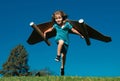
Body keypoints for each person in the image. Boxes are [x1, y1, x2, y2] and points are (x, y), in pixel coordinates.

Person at [44, 10, 84, 75]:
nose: (58, 20)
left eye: (59, 18)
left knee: (64, 56)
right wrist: (45, 32)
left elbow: (73, 30)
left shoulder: (67, 25)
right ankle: (57, 56)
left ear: (62, 18)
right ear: (54, 19)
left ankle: (62, 68)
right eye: (56, 18)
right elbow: (51, 29)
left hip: (66, 42)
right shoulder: (55, 25)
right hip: (58, 38)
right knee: (61, 42)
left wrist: (80, 34)